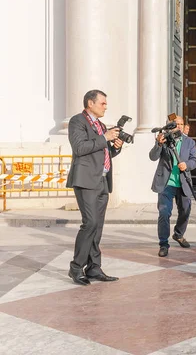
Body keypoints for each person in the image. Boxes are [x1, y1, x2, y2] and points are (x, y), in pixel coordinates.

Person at [66, 89, 122, 285]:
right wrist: (104, 138)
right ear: (90, 103)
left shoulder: (101, 125)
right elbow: (80, 148)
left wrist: (115, 146)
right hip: (85, 179)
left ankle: (94, 267)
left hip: (102, 180)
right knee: (89, 223)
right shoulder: (77, 121)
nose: (105, 106)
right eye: (102, 103)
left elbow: (102, 152)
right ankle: (76, 267)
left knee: (97, 226)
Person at [149, 116, 196, 257]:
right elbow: (152, 157)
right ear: (171, 126)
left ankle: (178, 234)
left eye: (182, 124)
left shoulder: (189, 142)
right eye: (176, 124)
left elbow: (194, 161)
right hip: (166, 183)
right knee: (164, 213)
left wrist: (186, 165)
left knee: (185, 211)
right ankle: (163, 244)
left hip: (183, 183)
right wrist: (158, 144)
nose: (179, 126)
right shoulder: (163, 140)